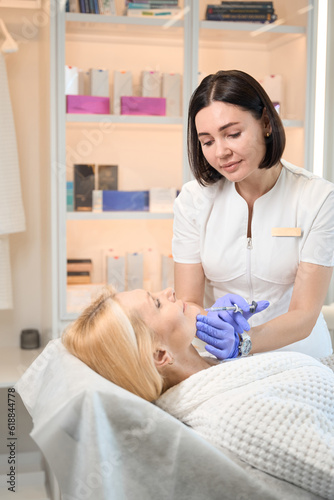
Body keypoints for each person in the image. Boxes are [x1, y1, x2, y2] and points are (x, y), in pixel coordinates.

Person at [62, 286, 334, 499]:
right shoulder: (236, 416)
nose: (169, 291)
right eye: (157, 303)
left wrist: (243, 345)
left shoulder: (213, 367)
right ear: (160, 355)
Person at [173, 69, 334, 360]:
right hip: (218, 357)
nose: (221, 152)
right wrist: (214, 325)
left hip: (300, 360)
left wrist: (243, 341)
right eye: (207, 141)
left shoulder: (317, 198)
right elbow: (188, 301)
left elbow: (304, 314)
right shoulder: (193, 201)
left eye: (232, 134)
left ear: (266, 123)